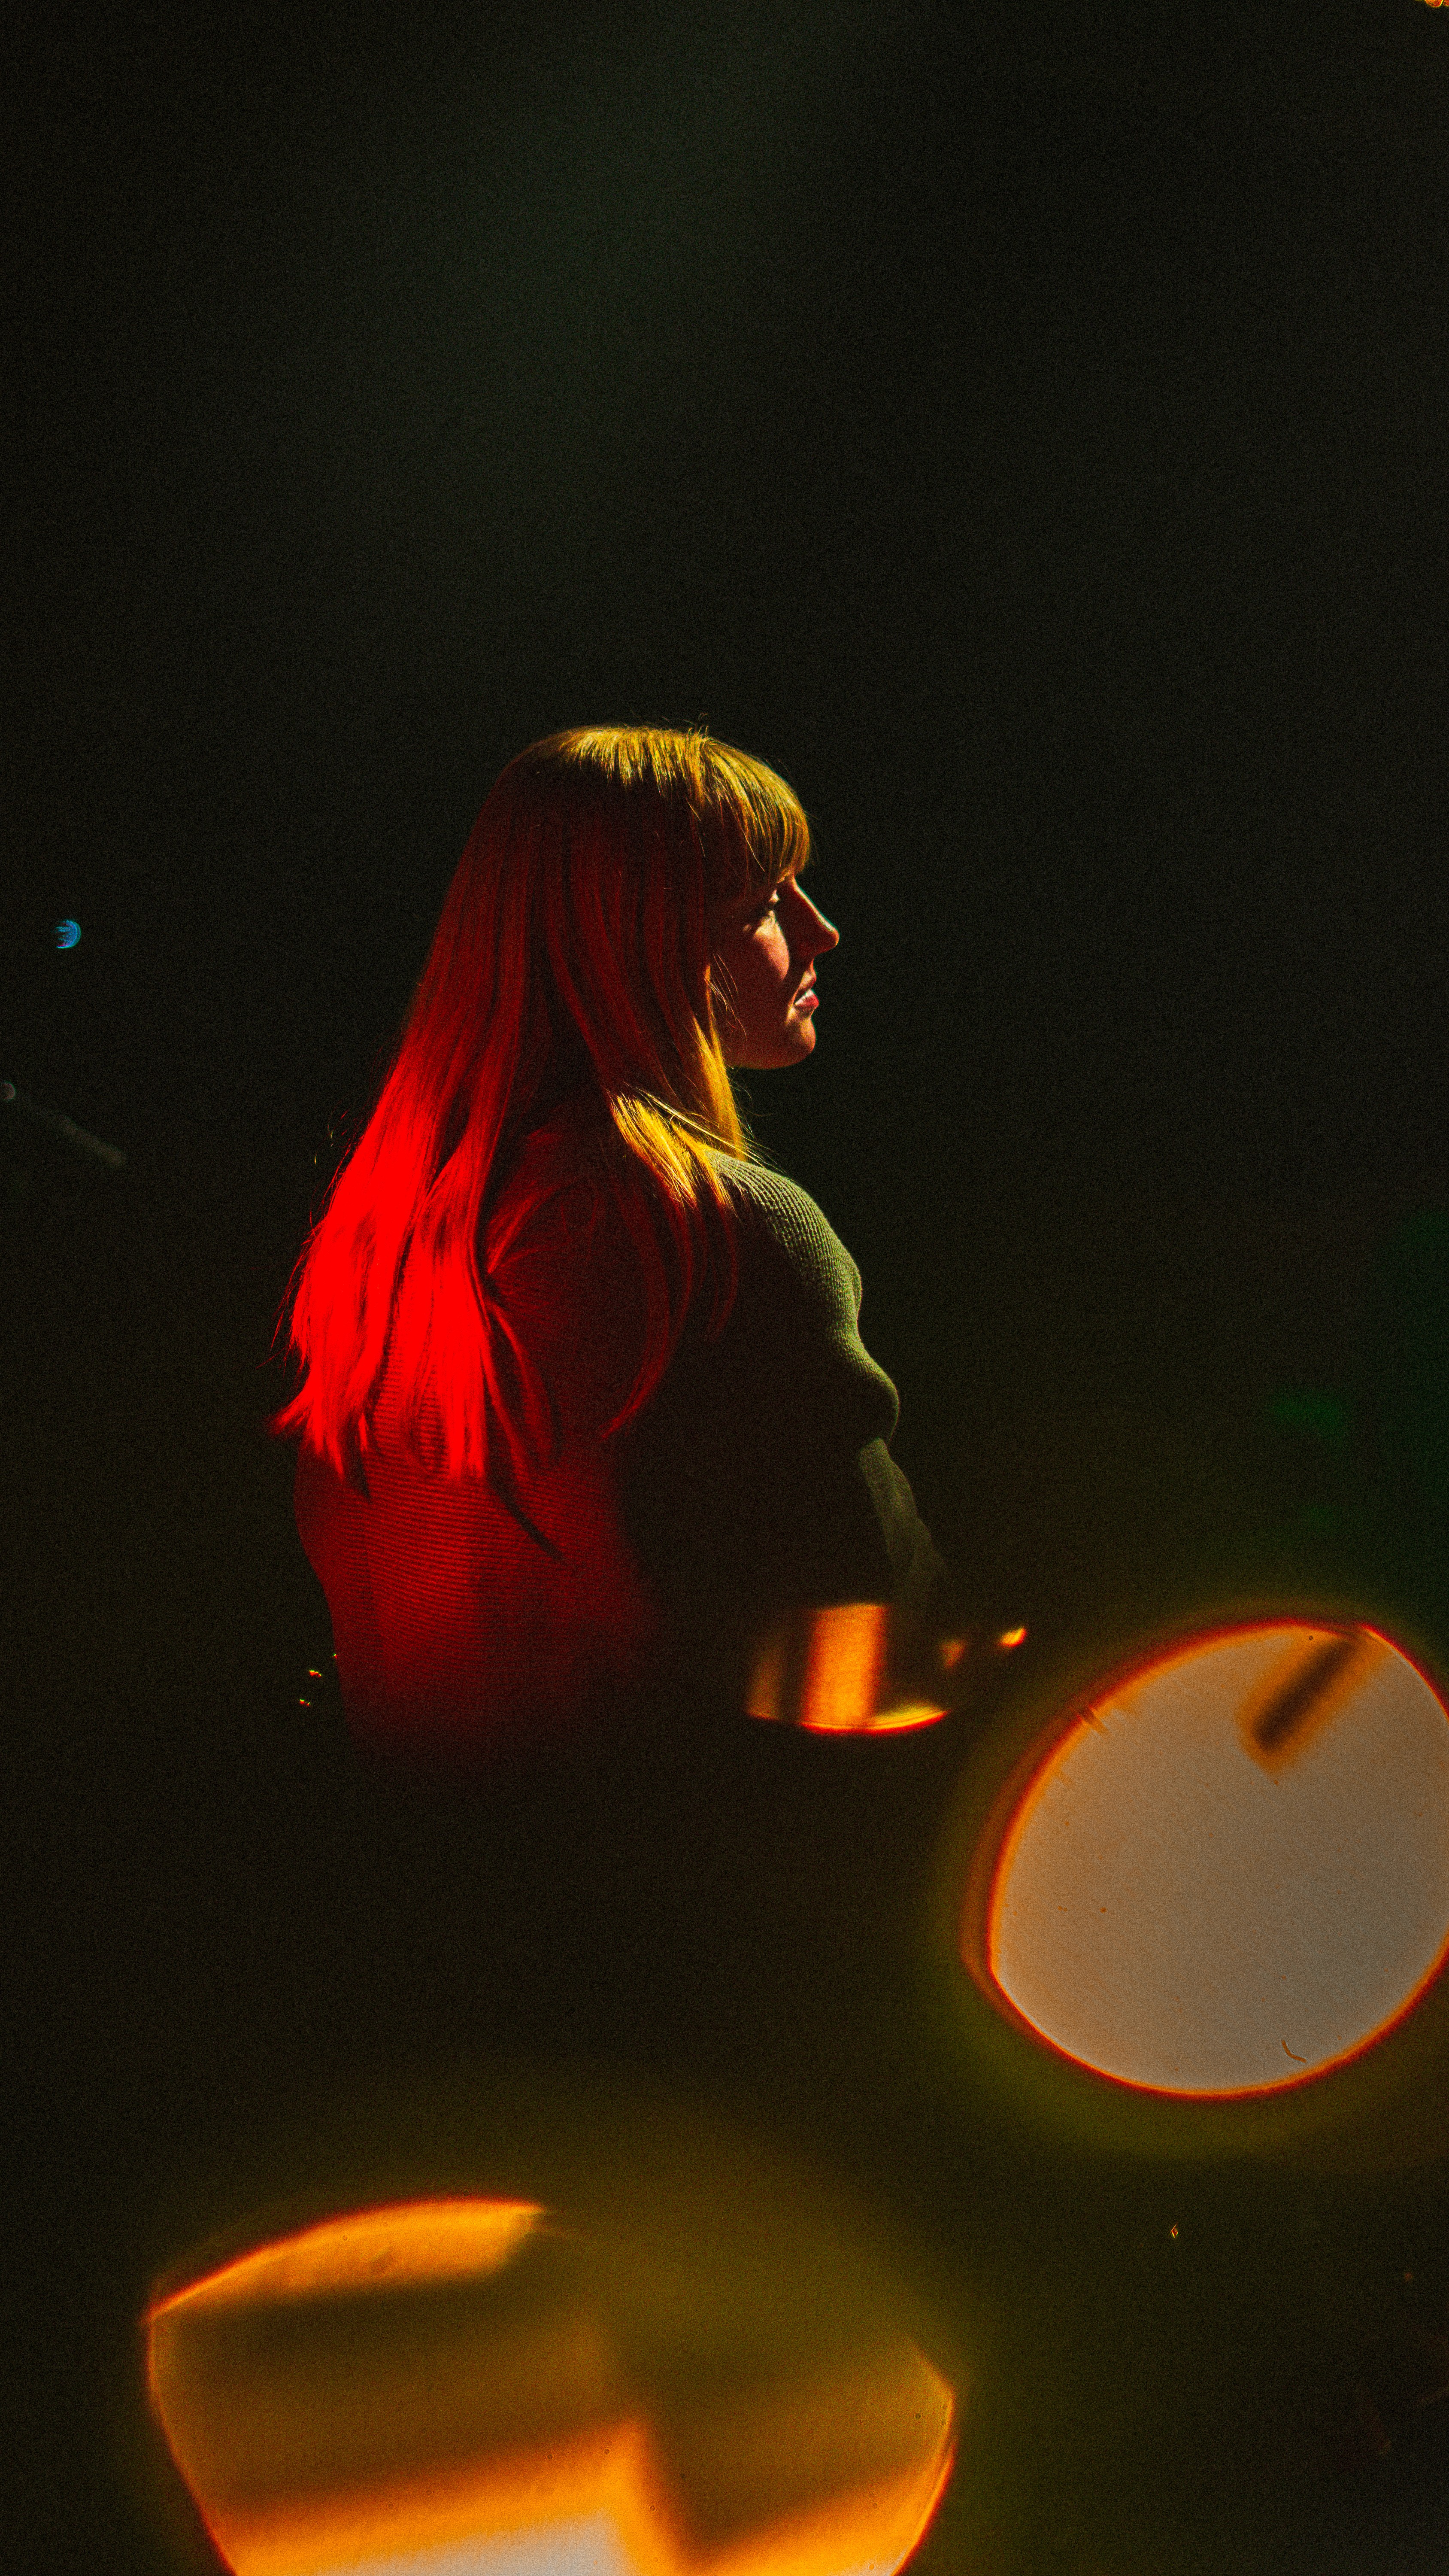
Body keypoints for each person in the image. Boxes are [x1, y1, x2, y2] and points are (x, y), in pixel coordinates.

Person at [276, 725, 955, 1768]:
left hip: (428, 1895)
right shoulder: (713, 1230)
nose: (822, 933)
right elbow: (874, 1637)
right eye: (766, 905)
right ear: (639, 945)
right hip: (690, 1900)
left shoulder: (379, 1250)